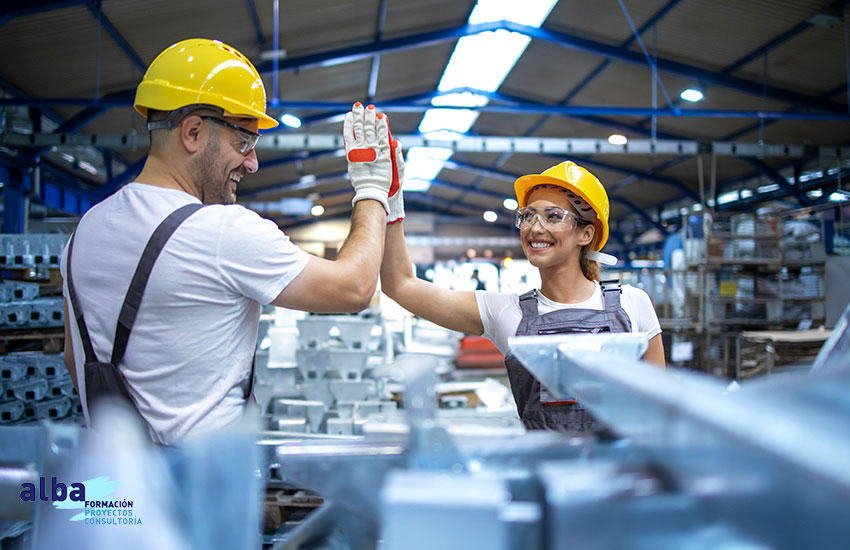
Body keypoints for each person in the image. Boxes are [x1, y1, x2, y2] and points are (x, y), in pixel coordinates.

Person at [62, 38, 395, 445]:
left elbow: (74, 359)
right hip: (203, 494)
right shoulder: (221, 232)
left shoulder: (82, 235)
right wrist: (372, 190)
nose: (252, 162)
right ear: (194, 132)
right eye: (244, 141)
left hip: (115, 486)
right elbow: (356, 287)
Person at [380, 157, 665, 433]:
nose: (534, 227)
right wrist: (389, 201)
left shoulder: (632, 303)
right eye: (528, 215)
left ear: (586, 234)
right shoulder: (506, 313)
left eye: (553, 216)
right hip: (542, 475)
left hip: (623, 474)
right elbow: (400, 286)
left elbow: (660, 409)